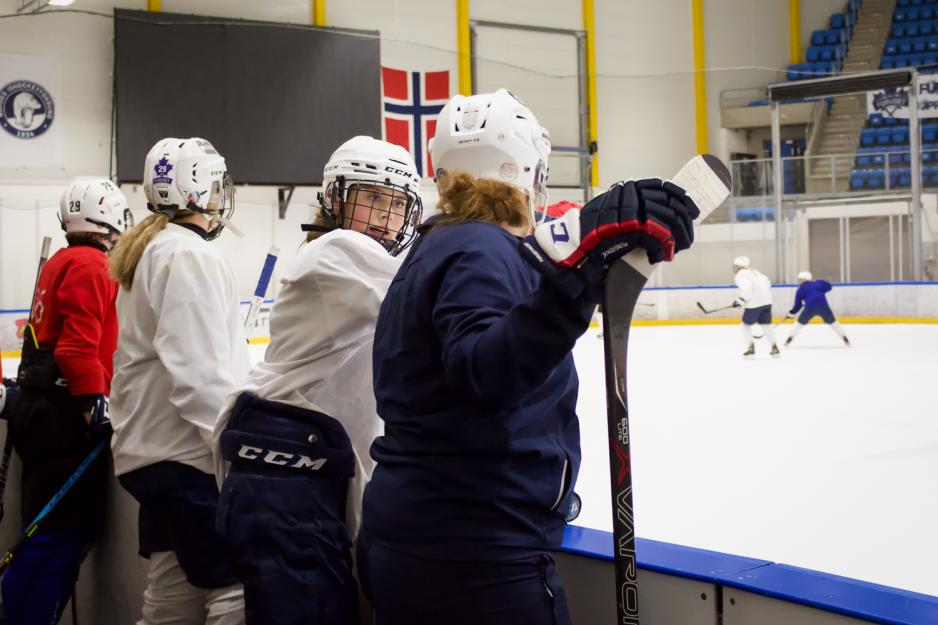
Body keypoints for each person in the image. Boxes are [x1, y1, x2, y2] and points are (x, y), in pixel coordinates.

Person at [357, 89, 699, 625]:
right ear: (527, 170)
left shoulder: (439, 244)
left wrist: (573, 275)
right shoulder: (481, 247)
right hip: (475, 559)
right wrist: (574, 275)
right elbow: (486, 372)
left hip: (424, 534)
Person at [211, 136, 423, 625]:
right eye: (371, 198)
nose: (384, 217)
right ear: (334, 197)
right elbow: (429, 298)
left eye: (395, 205)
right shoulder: (338, 250)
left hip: (299, 473)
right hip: (289, 477)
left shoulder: (339, 254)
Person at [108, 137, 248, 625]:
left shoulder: (150, 249)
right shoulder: (189, 256)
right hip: (188, 460)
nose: (218, 196)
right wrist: (236, 450)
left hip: (151, 460)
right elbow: (200, 376)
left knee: (172, 596)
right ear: (196, 190)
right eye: (213, 185)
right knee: (236, 591)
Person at [2, 178, 130, 625]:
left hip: (40, 411)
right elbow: (76, 350)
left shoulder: (60, 260)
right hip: (62, 421)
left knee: (47, 534)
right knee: (55, 540)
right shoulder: (93, 266)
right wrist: (94, 405)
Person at [785, 271, 850, 347]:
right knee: (833, 323)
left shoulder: (800, 289)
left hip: (809, 308)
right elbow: (829, 287)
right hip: (823, 307)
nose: (799, 281)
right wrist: (821, 283)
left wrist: (792, 313)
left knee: (799, 324)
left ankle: (790, 338)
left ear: (805, 279)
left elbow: (798, 305)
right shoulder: (818, 284)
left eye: (801, 279)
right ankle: (844, 337)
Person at [732, 256, 779, 357]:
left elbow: (747, 289)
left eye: (735, 266)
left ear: (739, 266)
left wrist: (740, 301)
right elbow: (768, 283)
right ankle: (775, 348)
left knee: (745, 326)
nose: (734, 268)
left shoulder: (741, 274)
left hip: (755, 304)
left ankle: (750, 349)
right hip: (767, 302)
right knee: (766, 326)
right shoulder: (755, 272)